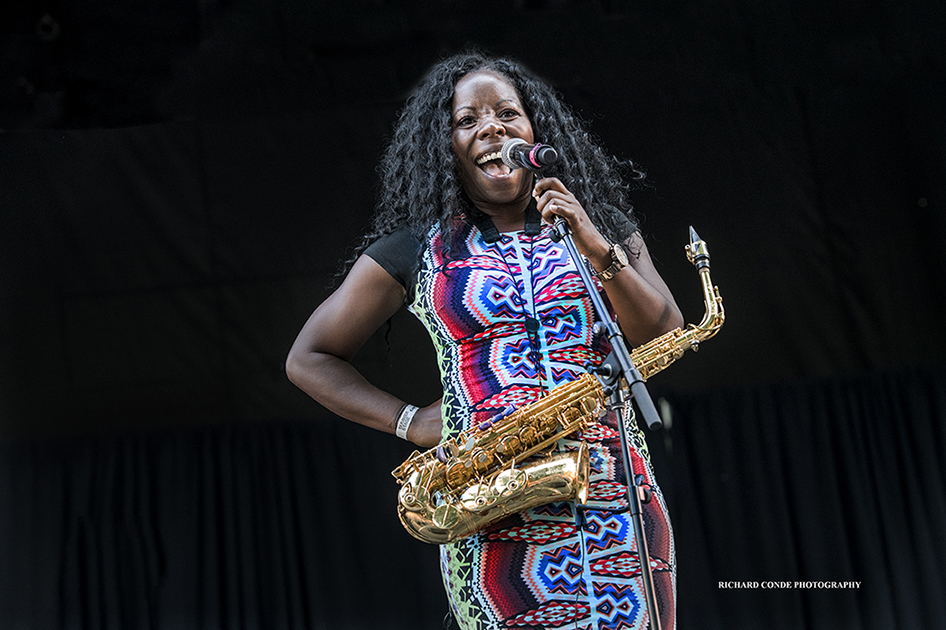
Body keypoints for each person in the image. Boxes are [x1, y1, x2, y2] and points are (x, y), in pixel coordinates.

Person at [286, 51, 683, 630]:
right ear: (446, 148)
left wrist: (597, 245)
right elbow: (309, 357)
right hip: (495, 498)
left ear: (533, 132)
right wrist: (408, 422)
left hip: (616, 494)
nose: (491, 127)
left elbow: (664, 329)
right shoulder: (419, 250)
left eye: (507, 113)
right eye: (466, 120)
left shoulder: (597, 227)